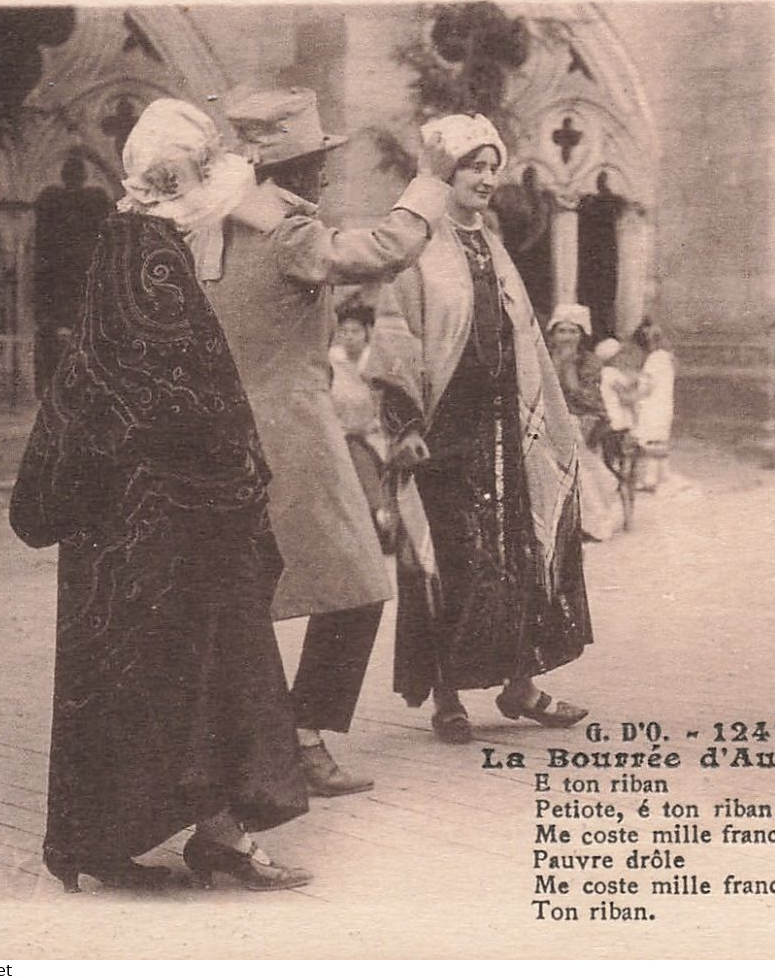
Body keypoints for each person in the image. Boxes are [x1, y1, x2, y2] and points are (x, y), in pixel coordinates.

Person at [9, 98, 310, 892]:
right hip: (169, 523)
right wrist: (243, 477)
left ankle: (172, 837)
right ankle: (204, 839)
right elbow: (186, 396)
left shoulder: (129, 245)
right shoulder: (151, 256)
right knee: (203, 668)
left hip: (138, 520)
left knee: (153, 675)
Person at [202, 84, 459, 796]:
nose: (325, 173)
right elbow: (386, 248)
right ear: (300, 169)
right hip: (292, 434)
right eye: (319, 160)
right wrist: (431, 180)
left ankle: (262, 747)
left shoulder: (215, 225)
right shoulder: (287, 232)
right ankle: (301, 740)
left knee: (248, 599)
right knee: (356, 588)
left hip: (226, 432)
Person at [365, 114, 593, 745]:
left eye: (494, 167)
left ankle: (519, 684)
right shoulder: (418, 246)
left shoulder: (489, 243)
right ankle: (446, 696)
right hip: (444, 430)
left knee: (517, 554)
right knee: (448, 560)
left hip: (503, 430)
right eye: (474, 166)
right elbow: (395, 335)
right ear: (444, 173)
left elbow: (521, 337)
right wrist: (404, 422)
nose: (487, 179)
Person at [547, 303, 626, 542]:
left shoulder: (590, 362)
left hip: (586, 417)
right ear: (553, 334)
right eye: (562, 331)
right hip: (552, 418)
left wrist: (568, 368)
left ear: (581, 335)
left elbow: (588, 398)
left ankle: (590, 522)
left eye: (573, 331)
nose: (567, 337)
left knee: (576, 453)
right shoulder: (544, 358)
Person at [329, 303, 394, 548]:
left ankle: (382, 515)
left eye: (354, 331)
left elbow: (384, 402)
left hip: (377, 434)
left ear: (367, 331)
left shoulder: (376, 363)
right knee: (356, 455)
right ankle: (377, 515)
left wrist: (374, 425)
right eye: (344, 331)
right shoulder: (333, 361)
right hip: (344, 435)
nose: (349, 337)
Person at [629, 318, 676, 492]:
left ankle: (649, 479)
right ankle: (662, 475)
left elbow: (647, 385)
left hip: (653, 403)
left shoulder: (654, 359)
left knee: (651, 439)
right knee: (659, 438)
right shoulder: (666, 358)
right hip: (663, 402)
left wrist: (634, 397)